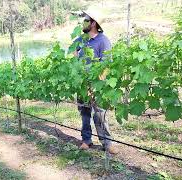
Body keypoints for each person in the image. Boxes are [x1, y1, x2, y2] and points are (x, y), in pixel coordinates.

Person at [74, 7, 117, 154]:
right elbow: (74, 54)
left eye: (85, 20)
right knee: (84, 113)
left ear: (93, 23)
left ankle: (106, 142)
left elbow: (107, 65)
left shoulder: (103, 41)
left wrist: (95, 85)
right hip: (82, 84)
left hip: (97, 85)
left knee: (100, 114)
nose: (83, 23)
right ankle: (86, 140)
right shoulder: (80, 39)